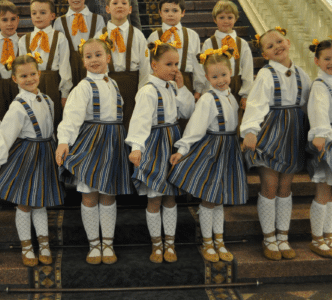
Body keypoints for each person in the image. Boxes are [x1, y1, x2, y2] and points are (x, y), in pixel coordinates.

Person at [56, 37, 133, 265]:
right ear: (83, 61)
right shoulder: (83, 87)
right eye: (88, 56)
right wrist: (64, 141)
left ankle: (107, 243)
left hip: (114, 142)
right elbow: (71, 117)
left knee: (108, 193)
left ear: (108, 57)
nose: (94, 60)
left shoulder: (114, 84)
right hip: (92, 143)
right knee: (89, 194)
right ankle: (93, 244)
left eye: (98, 55)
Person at [167, 47, 248, 263]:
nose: (220, 80)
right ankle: (207, 241)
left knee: (219, 199)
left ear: (231, 72)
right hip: (212, 150)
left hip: (229, 149)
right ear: (206, 77)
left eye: (224, 75)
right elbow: (195, 128)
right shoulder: (207, 99)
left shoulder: (231, 97)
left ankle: (219, 240)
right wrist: (182, 150)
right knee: (209, 199)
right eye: (214, 77)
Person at [0, 54, 65, 267]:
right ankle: (26, 246)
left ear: (39, 74)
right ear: (15, 79)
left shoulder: (47, 100)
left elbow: (51, 130)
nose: (29, 79)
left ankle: (44, 244)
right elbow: (4, 137)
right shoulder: (18, 106)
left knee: (40, 202)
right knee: (24, 203)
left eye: (33, 74)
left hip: (46, 153)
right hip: (26, 156)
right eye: (23, 76)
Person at [241, 27, 310, 261]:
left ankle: (283, 236)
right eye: (270, 46)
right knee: (270, 186)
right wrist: (250, 130)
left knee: (285, 188)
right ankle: (269, 237)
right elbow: (256, 104)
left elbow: (309, 104)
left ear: (288, 42)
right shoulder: (265, 74)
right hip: (270, 133)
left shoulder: (301, 73)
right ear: (265, 55)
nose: (277, 47)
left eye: (279, 42)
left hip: (293, 134)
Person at [126, 41, 195, 263]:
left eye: (176, 64)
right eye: (169, 64)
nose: (174, 68)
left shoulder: (173, 87)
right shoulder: (148, 91)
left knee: (170, 197)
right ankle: (156, 243)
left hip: (173, 141)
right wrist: (136, 148)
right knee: (155, 197)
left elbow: (187, 111)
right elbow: (140, 121)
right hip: (155, 144)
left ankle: (170, 243)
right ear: (154, 65)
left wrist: (182, 88)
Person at [306, 39, 332, 258]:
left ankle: (328, 236)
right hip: (328, 139)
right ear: (317, 61)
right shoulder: (320, 85)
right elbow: (319, 111)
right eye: (327, 59)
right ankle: (316, 238)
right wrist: (320, 134)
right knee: (323, 189)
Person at [96, 0, 151, 130]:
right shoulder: (99, 36)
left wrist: (142, 92)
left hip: (132, 86)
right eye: (115, 3)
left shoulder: (138, 35)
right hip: (108, 85)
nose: (119, 6)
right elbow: (95, 65)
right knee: (110, 123)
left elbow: (145, 66)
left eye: (124, 3)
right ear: (107, 9)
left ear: (130, 9)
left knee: (132, 123)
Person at [18, 0, 72, 129]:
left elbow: (65, 67)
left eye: (43, 12)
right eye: (34, 13)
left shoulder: (60, 38)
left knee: (54, 120)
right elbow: (21, 70)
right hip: (31, 85)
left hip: (53, 84)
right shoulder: (24, 40)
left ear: (52, 16)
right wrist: (22, 92)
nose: (38, 16)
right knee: (34, 121)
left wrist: (64, 94)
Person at [147, 0, 206, 101]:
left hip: (186, 81)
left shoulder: (192, 36)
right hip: (161, 83)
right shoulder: (154, 36)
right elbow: (150, 65)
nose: (170, 14)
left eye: (175, 10)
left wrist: (198, 89)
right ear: (160, 13)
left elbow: (197, 65)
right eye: (166, 11)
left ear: (182, 12)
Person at [53, 0, 106, 87]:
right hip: (68, 67)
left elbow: (101, 47)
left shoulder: (97, 20)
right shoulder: (59, 22)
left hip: (92, 65)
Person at [201, 0, 253, 109]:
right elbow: (204, 70)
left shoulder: (242, 44)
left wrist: (246, 94)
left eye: (230, 17)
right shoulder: (209, 43)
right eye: (221, 17)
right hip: (216, 85)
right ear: (215, 19)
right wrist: (208, 91)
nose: (226, 21)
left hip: (237, 86)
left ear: (235, 19)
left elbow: (248, 70)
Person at [0, 0, 20, 120]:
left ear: (18, 20)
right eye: (4, 20)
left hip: (18, 87)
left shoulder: (22, 42)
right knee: (0, 119)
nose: (9, 24)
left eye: (13, 19)